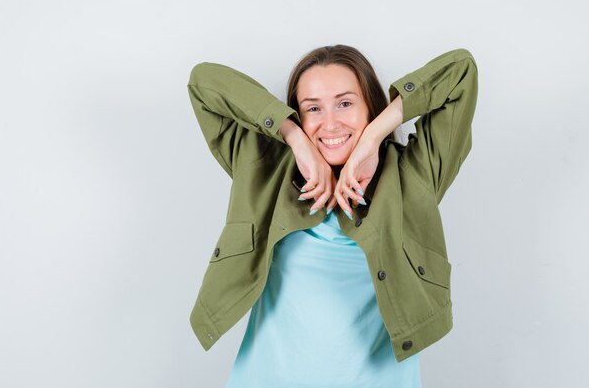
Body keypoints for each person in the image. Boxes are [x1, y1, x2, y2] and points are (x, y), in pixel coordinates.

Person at [186, 46, 479, 387]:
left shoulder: (414, 176)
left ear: (370, 104)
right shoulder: (263, 170)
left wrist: (373, 137)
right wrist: (294, 136)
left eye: (345, 103)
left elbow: (461, 71)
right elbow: (204, 81)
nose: (330, 123)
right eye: (313, 108)